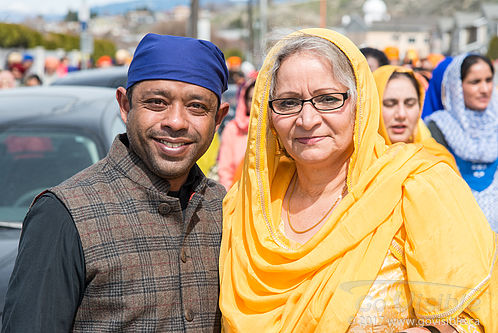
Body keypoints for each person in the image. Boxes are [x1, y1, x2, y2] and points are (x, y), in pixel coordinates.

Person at [219, 28, 497, 332]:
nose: (307, 119)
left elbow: (473, 319)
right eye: (288, 102)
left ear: (360, 103)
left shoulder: (416, 187)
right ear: (269, 115)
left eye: (328, 99)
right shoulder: (245, 207)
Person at [2, 33, 230, 332]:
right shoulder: (64, 214)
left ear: (218, 118)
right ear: (125, 105)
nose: (176, 121)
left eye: (197, 106)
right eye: (157, 102)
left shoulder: (226, 208)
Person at [425, 53, 498, 232]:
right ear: (456, 85)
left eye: (488, 80)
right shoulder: (438, 127)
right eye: (475, 82)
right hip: (455, 231)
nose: (485, 89)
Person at [372, 65, 459, 173]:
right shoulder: (357, 166)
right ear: (372, 107)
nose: (401, 114)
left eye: (410, 104)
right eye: (390, 104)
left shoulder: (437, 159)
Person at [218, 78, 256, 189]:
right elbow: (225, 170)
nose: (254, 103)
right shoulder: (233, 129)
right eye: (250, 99)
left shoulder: (275, 128)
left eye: (258, 99)